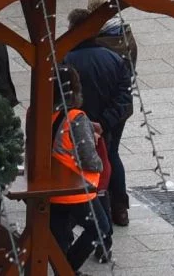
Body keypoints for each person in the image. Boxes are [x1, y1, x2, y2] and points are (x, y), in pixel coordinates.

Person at [64, 24, 135, 241]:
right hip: (107, 124)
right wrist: (104, 123)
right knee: (110, 159)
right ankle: (119, 209)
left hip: (78, 124)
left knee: (83, 165)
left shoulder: (67, 60)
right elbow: (124, 98)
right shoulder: (114, 59)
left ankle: (80, 215)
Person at [43, 71, 108, 270]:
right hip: (76, 190)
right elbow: (88, 159)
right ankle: (67, 270)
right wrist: (100, 163)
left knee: (61, 237)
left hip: (48, 186)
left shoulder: (39, 112)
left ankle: (63, 269)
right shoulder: (75, 118)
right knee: (100, 229)